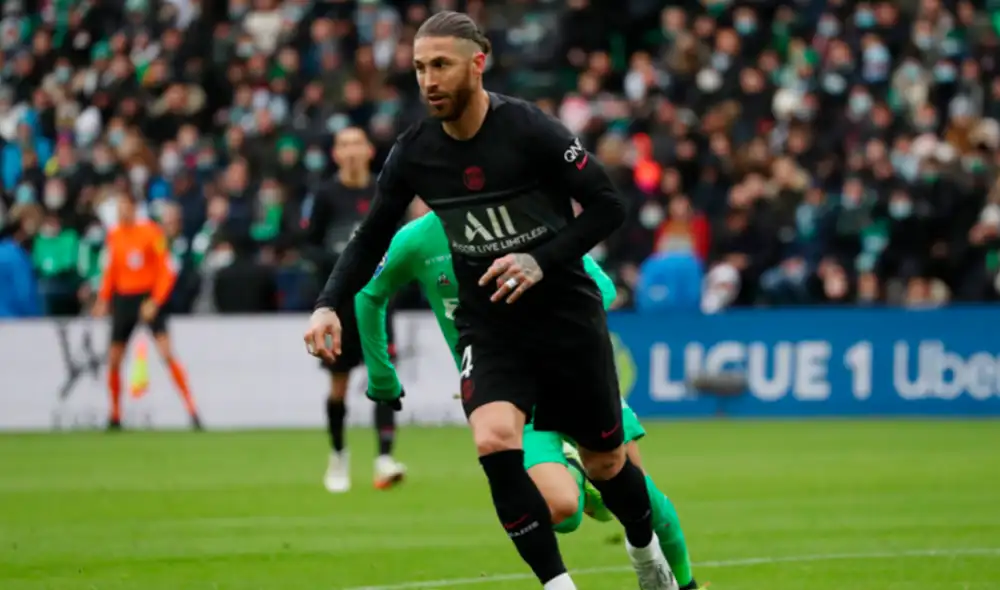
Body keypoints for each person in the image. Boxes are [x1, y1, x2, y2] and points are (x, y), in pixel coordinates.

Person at [304, 11, 675, 590]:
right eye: (421, 67)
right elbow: (371, 233)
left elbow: (608, 206)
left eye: (441, 65)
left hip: (564, 315)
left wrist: (540, 259)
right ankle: (558, 585)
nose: (428, 80)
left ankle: (644, 549)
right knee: (493, 438)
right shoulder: (414, 151)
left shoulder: (532, 131)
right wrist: (330, 301)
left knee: (605, 463)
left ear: (478, 64)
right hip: (492, 325)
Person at [356, 211, 703, 589]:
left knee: (643, 501)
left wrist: (552, 304)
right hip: (511, 398)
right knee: (562, 510)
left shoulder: (524, 214)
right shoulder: (418, 240)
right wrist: (382, 374)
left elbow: (602, 287)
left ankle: (684, 584)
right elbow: (368, 292)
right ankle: (575, 470)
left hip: (578, 379)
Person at [304, 126, 405, 492]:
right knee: (339, 384)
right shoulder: (325, 194)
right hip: (340, 306)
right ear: (335, 153)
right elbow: (309, 245)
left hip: (378, 299)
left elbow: (401, 237)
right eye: (343, 144)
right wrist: (340, 260)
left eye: (356, 144)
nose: (350, 151)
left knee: (384, 377)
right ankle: (338, 455)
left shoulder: (384, 188)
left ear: (368, 150)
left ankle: (384, 457)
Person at [92, 190, 201, 431]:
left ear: (133, 208)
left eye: (125, 207)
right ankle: (115, 415)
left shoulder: (151, 232)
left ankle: (192, 410)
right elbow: (111, 270)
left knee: (166, 353)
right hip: (123, 300)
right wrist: (103, 298)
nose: (121, 213)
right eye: (118, 208)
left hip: (146, 297)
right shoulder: (114, 235)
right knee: (114, 359)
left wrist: (156, 300)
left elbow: (167, 269)